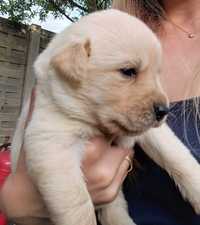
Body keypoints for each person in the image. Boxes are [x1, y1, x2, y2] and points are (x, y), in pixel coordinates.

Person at [0, 0, 200, 224]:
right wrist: (17, 202)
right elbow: (49, 161)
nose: (161, 101)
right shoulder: (103, 33)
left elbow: (159, 139)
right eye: (129, 72)